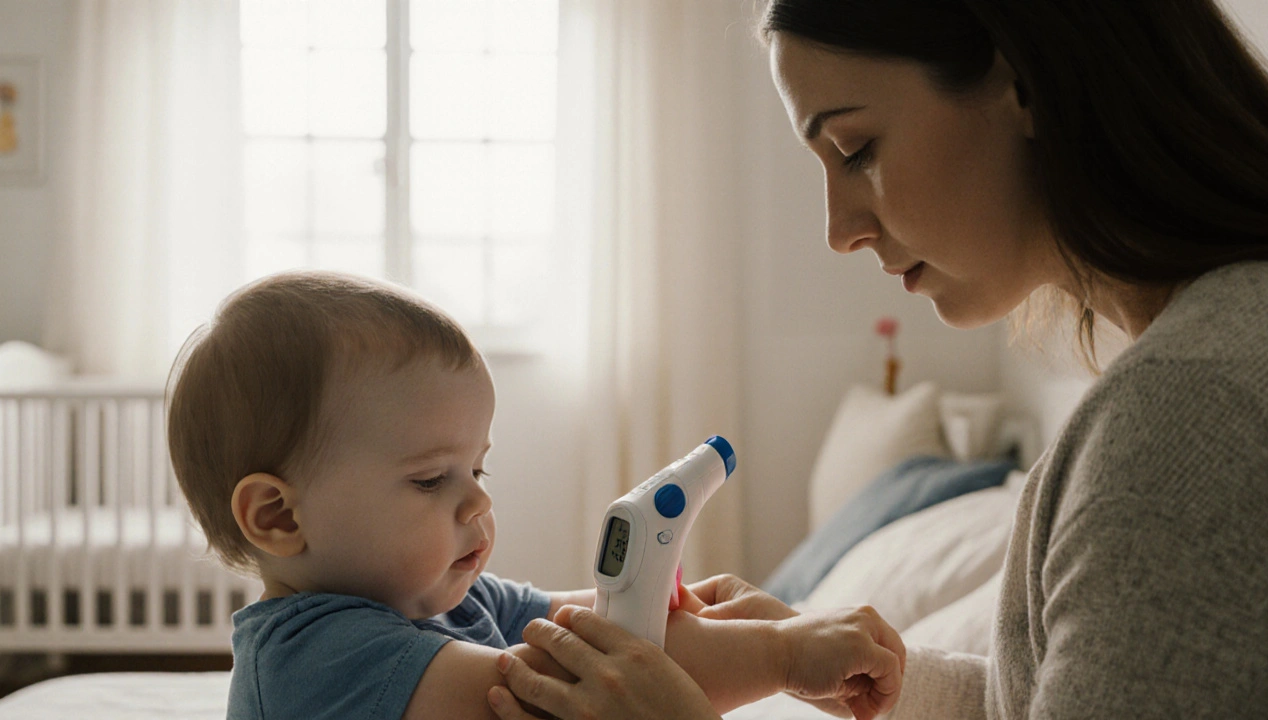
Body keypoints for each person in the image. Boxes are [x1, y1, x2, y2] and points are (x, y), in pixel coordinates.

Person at [489, 0, 1268, 718]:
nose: (840, 231)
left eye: (857, 149)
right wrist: (837, 666)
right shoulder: (1208, 366)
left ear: (1025, 83)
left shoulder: (1187, 413)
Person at [165, 269, 907, 720]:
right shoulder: (314, 661)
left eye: (478, 471)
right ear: (278, 516)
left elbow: (596, 628)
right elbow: (587, 685)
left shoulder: (449, 600)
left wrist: (687, 611)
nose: (477, 505)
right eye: (431, 479)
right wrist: (779, 654)